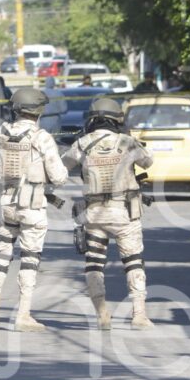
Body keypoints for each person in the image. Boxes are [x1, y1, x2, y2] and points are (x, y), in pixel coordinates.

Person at [0, 87, 68, 332]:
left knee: (0, 258)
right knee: (29, 259)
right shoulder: (42, 138)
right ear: (38, 111)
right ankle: (23, 316)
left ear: (15, 109)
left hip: (3, 206)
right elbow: (59, 177)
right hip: (31, 207)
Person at [62, 97, 155, 330]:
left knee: (94, 263)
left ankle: (102, 315)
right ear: (117, 119)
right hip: (125, 213)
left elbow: (62, 167)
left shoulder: (83, 143)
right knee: (133, 261)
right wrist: (130, 139)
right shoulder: (127, 142)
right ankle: (139, 315)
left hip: (95, 214)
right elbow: (148, 162)